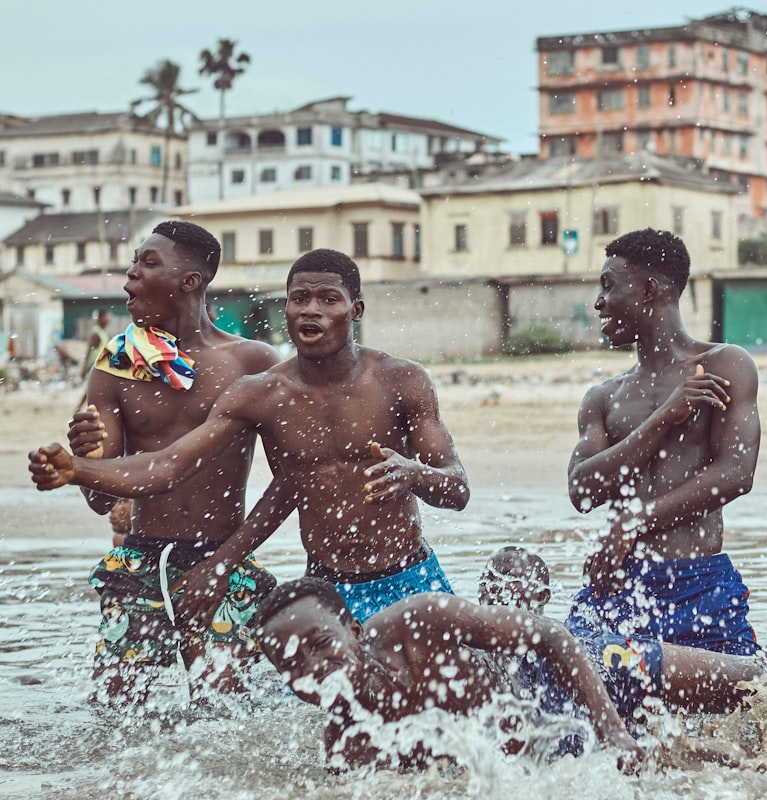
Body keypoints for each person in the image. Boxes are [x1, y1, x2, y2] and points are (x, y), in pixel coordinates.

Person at [30, 248, 470, 625]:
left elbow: (458, 488)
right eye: (300, 299)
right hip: (325, 587)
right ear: (286, 309)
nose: (311, 310)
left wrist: (412, 473)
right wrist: (79, 470)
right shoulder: (261, 394)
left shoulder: (402, 380)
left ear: (356, 309)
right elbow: (172, 464)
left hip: (411, 577)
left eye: (328, 299)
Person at [64, 220, 284, 704]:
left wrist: (225, 563)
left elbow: (291, 482)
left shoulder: (252, 362)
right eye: (133, 263)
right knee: (114, 712)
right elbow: (102, 501)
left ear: (191, 281)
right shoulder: (117, 361)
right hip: (141, 560)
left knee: (224, 713)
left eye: (147, 263)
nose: (129, 276)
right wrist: (84, 457)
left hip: (222, 558)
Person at [565, 228, 761, 656]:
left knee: (739, 713)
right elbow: (581, 492)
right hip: (617, 584)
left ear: (648, 289)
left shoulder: (724, 364)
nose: (598, 302)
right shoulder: (603, 396)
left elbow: (735, 475)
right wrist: (662, 420)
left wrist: (635, 521)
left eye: (608, 286)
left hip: (698, 585)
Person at [480, 549, 767, 731]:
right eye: (491, 589)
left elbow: (564, 643)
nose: (498, 598)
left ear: (539, 597)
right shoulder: (478, 650)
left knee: (762, 677)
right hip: (606, 680)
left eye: (509, 588)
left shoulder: (559, 635)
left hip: (618, 664)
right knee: (750, 683)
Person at [254, 578, 644, 773]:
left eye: (321, 642)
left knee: (706, 684)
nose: (312, 667)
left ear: (354, 631)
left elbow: (552, 636)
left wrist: (613, 734)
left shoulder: (419, 622)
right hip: (542, 753)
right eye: (290, 663)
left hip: (564, 675)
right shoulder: (350, 749)